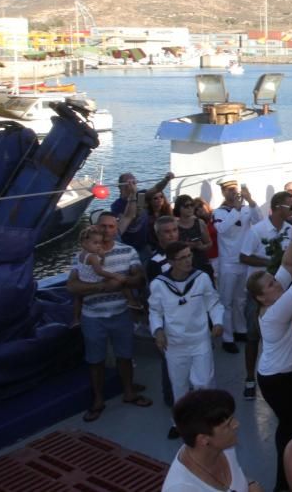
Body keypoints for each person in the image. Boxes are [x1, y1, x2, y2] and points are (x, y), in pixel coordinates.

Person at [246, 224, 292, 492]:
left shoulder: (275, 297)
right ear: (262, 298)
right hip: (279, 381)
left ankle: (290, 477)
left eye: (274, 281)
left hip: (288, 375)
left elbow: (287, 263)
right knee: (291, 427)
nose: (277, 283)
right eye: (271, 284)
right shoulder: (274, 313)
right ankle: (286, 483)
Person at [67, 212, 152, 422]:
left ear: (116, 229)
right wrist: (103, 286)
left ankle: (129, 392)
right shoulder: (81, 256)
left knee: (125, 355)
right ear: (95, 227)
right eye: (103, 226)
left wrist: (122, 283)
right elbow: (71, 286)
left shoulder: (128, 251)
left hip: (121, 314)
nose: (107, 231)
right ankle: (98, 399)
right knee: (95, 360)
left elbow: (139, 278)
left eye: (111, 227)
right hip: (92, 316)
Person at [150, 242, 223, 438]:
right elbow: (155, 311)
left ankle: (208, 419)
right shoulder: (158, 284)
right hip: (174, 344)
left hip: (200, 339)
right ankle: (180, 423)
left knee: (205, 382)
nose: (188, 260)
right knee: (179, 385)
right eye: (182, 257)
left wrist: (217, 322)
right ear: (171, 261)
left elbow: (213, 302)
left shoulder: (201, 278)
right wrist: (158, 331)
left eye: (189, 255)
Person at [238, 190, 292, 400]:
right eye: (291, 206)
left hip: (281, 289)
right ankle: (249, 378)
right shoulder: (257, 230)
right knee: (253, 337)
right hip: (260, 292)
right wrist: (270, 264)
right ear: (279, 207)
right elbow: (244, 256)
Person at [163, 389, 262, 492]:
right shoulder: (181, 488)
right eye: (228, 425)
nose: (236, 424)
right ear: (204, 439)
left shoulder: (225, 447)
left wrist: (250, 484)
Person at [213, 177, 262, 354]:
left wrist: (250, 200)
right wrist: (236, 209)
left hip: (243, 260)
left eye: (234, 189)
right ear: (223, 192)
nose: (232, 192)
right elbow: (222, 229)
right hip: (228, 262)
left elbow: (259, 220)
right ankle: (227, 337)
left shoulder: (247, 209)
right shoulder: (219, 212)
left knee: (240, 300)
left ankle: (240, 330)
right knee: (226, 302)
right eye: (228, 190)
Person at [71, 225, 142, 327]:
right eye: (95, 243)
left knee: (78, 297)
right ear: (84, 243)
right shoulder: (92, 256)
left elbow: (99, 264)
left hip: (84, 278)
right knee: (121, 281)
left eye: (99, 243)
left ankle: (76, 319)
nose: (98, 246)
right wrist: (114, 275)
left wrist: (102, 256)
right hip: (93, 278)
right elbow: (100, 271)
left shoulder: (80, 255)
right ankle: (132, 301)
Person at [110, 171, 173, 263]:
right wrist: (133, 195)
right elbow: (132, 217)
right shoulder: (117, 205)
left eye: (134, 182)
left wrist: (166, 180)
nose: (132, 185)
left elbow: (156, 189)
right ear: (120, 186)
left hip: (144, 245)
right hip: (128, 246)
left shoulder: (140, 195)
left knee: (147, 269)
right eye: (128, 183)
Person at [175, 194, 214, 277]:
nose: (190, 208)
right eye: (186, 206)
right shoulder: (175, 225)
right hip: (182, 265)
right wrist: (186, 246)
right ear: (179, 208)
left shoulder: (200, 223)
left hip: (201, 262)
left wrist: (201, 247)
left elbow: (209, 243)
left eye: (192, 205)